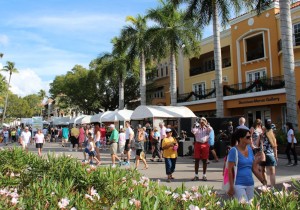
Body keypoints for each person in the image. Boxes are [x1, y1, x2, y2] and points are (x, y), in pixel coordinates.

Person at [227, 128, 266, 202]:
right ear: (240, 138)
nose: (250, 138)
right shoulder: (233, 151)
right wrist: (231, 187)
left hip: (250, 184)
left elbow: (254, 168)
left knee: (251, 206)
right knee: (244, 206)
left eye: (250, 136)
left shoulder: (250, 149)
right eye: (248, 137)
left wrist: (263, 180)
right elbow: (229, 171)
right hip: (238, 184)